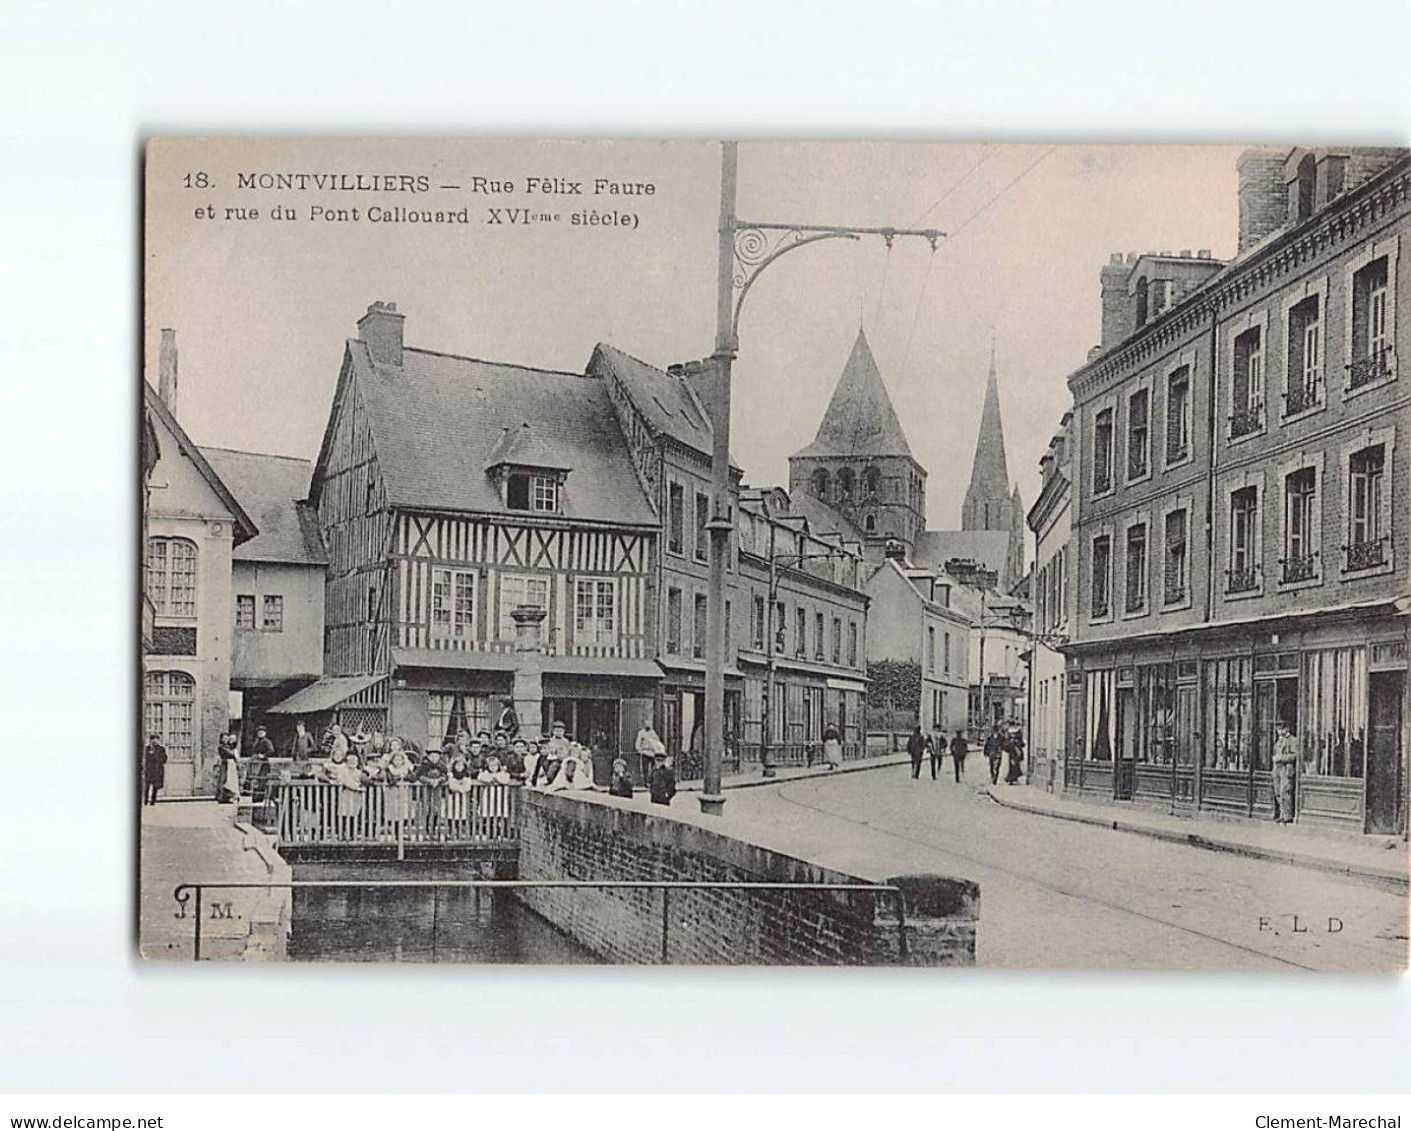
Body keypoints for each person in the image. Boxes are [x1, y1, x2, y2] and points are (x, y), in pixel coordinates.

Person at [1272, 720, 1298, 823]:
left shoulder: (1292, 740)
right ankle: (1282, 814)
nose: (1279, 731)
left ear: (1286, 729)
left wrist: (1281, 758)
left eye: (1281, 729)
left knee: (1285, 792)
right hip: (1277, 769)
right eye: (1278, 729)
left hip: (1286, 769)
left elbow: (1295, 755)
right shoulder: (1278, 741)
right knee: (1277, 792)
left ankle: (1287, 816)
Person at [247, 726, 275, 802]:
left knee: (262, 780)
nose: (260, 734)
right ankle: (255, 797)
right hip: (256, 763)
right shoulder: (256, 741)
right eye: (259, 733)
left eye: (262, 733)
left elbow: (271, 750)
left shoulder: (267, 741)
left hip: (263, 764)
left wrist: (263, 755)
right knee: (256, 780)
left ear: (265, 733)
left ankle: (260, 797)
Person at [635, 720, 666, 784]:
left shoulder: (653, 732)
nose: (648, 725)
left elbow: (657, 741)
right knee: (645, 768)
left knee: (654, 767)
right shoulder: (641, 733)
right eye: (646, 724)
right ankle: (646, 781)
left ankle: (652, 780)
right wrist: (639, 750)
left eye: (649, 724)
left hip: (652, 752)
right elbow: (638, 742)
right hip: (645, 752)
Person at [216, 733, 241, 803]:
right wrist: (234, 753)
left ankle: (231, 796)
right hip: (225, 764)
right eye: (224, 738)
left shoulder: (229, 746)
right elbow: (230, 754)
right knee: (224, 780)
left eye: (227, 738)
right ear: (221, 739)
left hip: (230, 765)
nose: (225, 740)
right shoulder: (221, 747)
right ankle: (222, 797)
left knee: (231, 780)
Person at [142, 734, 167, 805]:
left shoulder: (161, 749)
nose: (154, 741)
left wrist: (158, 760)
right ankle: (145, 801)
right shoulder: (146, 748)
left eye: (156, 739)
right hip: (149, 770)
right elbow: (144, 759)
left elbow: (164, 759)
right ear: (150, 740)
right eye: (153, 739)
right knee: (146, 786)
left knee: (155, 786)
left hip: (157, 770)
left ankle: (153, 801)